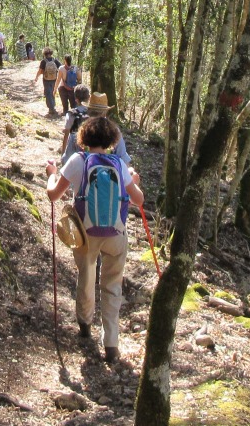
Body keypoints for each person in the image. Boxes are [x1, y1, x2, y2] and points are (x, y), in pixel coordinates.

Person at [45, 116, 143, 364]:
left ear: (84, 138)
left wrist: (51, 174)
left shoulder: (78, 161)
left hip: (86, 233)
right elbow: (138, 200)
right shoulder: (119, 164)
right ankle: (111, 343)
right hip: (116, 233)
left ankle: (85, 324)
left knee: (86, 275)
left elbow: (54, 196)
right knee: (112, 286)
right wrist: (134, 181)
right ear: (111, 140)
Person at [61, 89, 130, 166]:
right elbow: (124, 161)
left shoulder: (78, 130)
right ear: (105, 112)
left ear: (88, 110)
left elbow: (66, 161)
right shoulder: (114, 132)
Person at [32, 47, 61, 116]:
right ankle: (53, 106)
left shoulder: (44, 61)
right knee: (53, 92)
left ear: (44, 53)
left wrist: (36, 77)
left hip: (46, 80)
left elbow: (40, 71)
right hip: (54, 79)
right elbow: (60, 68)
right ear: (51, 53)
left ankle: (51, 109)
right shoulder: (55, 60)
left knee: (48, 94)